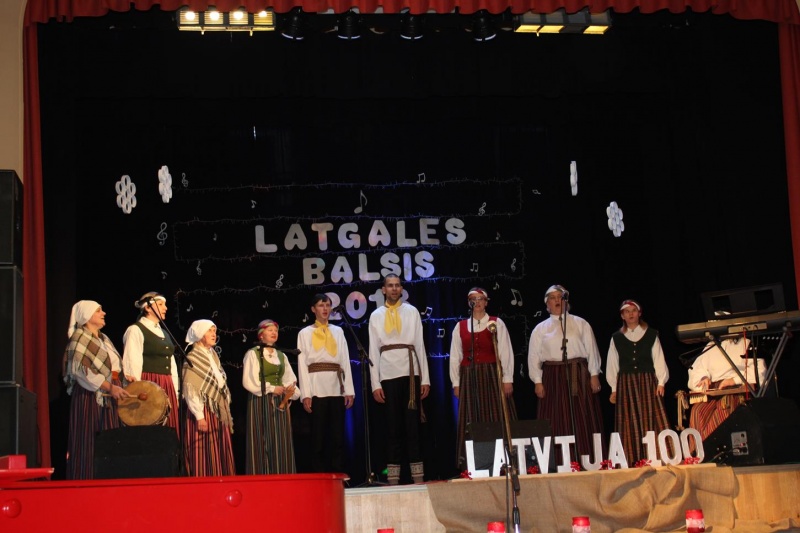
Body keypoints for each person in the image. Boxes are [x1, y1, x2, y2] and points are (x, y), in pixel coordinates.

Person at [527, 285, 603, 461]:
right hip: (553, 376)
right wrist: (537, 381)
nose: (557, 300)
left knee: (582, 416)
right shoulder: (541, 329)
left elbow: (592, 349)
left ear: (566, 301)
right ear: (547, 304)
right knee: (556, 416)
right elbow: (534, 356)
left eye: (560, 297)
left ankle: (586, 458)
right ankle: (559, 460)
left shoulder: (580, 323)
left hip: (578, 373)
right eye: (552, 298)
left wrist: (594, 374)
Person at [368, 274, 430, 484]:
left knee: (413, 426)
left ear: (401, 289)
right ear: (383, 289)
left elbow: (420, 345)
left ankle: (418, 476)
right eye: (390, 286)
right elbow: (373, 351)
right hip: (387, 374)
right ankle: (393, 478)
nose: (394, 289)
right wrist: (375, 384)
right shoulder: (376, 315)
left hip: (410, 372)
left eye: (397, 285)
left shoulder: (411, 311)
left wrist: (425, 379)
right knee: (392, 427)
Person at [449, 287, 517, 470]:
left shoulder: (496, 323)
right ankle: (473, 464)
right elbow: (455, 356)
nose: (477, 302)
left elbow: (505, 352)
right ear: (468, 303)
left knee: (496, 416)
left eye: (480, 299)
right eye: (473, 299)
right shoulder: (460, 327)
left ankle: (503, 461)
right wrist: (456, 383)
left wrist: (507, 378)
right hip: (469, 376)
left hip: (491, 375)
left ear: (486, 302)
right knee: (471, 417)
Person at [62, 300, 131, 480]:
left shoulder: (103, 338)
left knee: (110, 440)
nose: (103, 313)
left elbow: (112, 366)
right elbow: (81, 372)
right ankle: (87, 481)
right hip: (91, 397)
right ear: (86, 315)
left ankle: (109, 482)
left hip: (110, 394)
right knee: (90, 440)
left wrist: (122, 379)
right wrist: (109, 387)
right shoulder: (79, 338)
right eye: (98, 311)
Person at [606, 299, 670, 464]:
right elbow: (612, 364)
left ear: (639, 313)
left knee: (651, 417)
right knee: (629, 420)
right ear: (622, 316)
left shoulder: (651, 334)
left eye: (633, 311)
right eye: (627, 312)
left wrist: (661, 381)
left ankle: (656, 456)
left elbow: (658, 358)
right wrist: (614, 388)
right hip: (626, 383)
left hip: (647, 381)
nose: (631, 314)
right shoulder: (617, 338)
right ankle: (632, 457)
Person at [297, 294, 355, 474]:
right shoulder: (304, 333)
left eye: (328, 305)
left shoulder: (338, 331)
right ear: (313, 309)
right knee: (318, 437)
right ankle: (319, 476)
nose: (325, 309)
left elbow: (345, 360)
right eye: (321, 305)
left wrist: (349, 390)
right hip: (316, 387)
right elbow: (302, 364)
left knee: (338, 436)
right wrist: (306, 394)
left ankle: (338, 474)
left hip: (336, 387)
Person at [242, 319, 300, 474]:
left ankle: (283, 477)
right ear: (261, 335)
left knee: (281, 441)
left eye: (276, 330)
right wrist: (272, 388)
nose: (274, 333)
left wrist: (291, 391)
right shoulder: (253, 354)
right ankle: (260, 478)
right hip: (259, 401)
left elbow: (289, 378)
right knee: (260, 441)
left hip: (280, 401)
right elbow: (249, 381)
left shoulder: (281, 355)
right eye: (270, 330)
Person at [182, 319, 236, 476]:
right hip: (204, 410)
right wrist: (199, 416)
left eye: (214, 331)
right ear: (200, 334)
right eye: (209, 331)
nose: (214, 334)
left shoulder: (212, 355)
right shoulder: (193, 357)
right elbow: (191, 389)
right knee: (205, 450)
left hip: (217, 407)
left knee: (219, 447)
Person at [688, 336, 766, 442]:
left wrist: (733, 381)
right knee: (697, 411)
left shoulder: (746, 343)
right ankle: (698, 450)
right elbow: (696, 369)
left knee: (723, 407)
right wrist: (703, 377)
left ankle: (716, 447)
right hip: (714, 392)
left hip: (736, 390)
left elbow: (760, 371)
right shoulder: (712, 345)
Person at [122, 291, 180, 434]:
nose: (165, 308)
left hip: (166, 383)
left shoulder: (165, 333)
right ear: (148, 308)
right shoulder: (136, 330)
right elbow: (132, 360)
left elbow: (171, 364)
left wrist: (175, 392)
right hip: (149, 383)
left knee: (168, 429)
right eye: (160, 304)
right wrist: (137, 389)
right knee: (150, 429)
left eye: (165, 304)